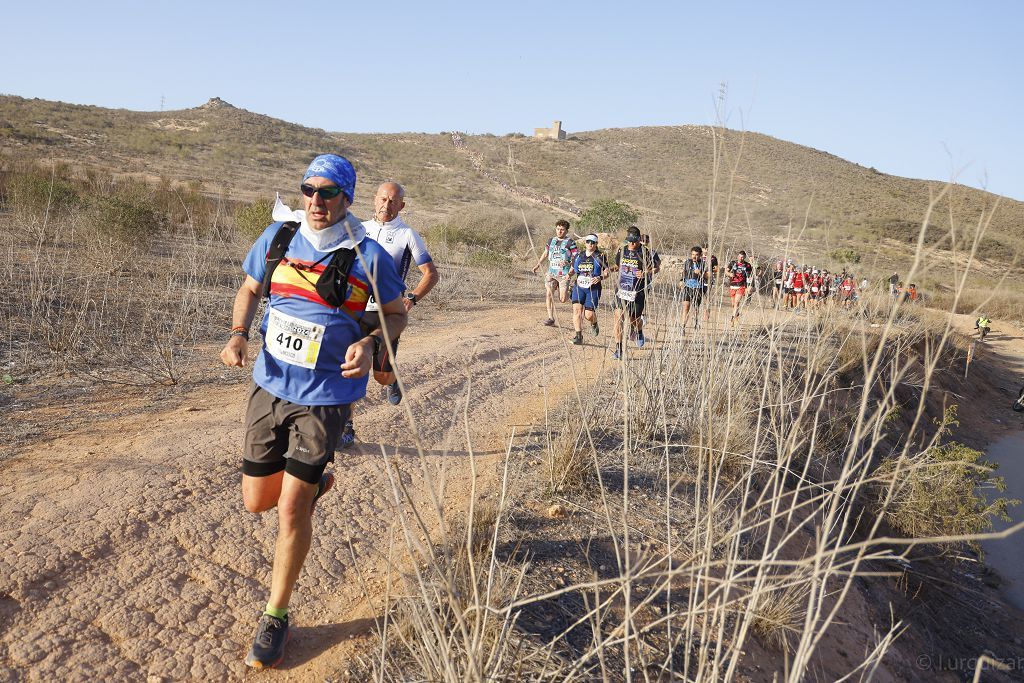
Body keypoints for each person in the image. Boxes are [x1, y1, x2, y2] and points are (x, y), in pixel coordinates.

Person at [220, 154, 407, 669]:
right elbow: (250, 288)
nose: (316, 201)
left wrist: (371, 344)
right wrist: (238, 335)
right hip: (269, 386)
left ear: (347, 198)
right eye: (309, 190)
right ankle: (312, 487)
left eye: (328, 192)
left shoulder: (369, 256)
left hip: (324, 398)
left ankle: (275, 615)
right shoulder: (278, 238)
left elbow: (395, 313)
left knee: (290, 508)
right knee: (258, 500)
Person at [334, 182, 440, 447]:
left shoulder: (407, 235)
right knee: (350, 367)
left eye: (393, 201)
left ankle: (392, 380)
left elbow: (431, 273)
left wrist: (412, 297)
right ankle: (346, 427)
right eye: (383, 199)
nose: (387, 205)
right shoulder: (359, 229)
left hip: (386, 315)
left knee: (380, 375)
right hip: (354, 313)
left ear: (401, 205)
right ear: (374, 200)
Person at [611, 226, 661, 358]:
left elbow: (656, 268)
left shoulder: (645, 253)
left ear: (639, 239)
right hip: (622, 289)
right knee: (618, 317)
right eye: (629, 241)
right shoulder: (622, 250)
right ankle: (619, 349)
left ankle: (639, 330)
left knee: (634, 318)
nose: (631, 244)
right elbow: (618, 265)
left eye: (634, 241)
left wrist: (646, 272)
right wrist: (610, 269)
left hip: (638, 290)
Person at [532, 219, 578, 326]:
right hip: (551, 272)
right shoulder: (550, 241)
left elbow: (576, 257)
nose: (559, 231)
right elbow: (545, 253)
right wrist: (538, 265)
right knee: (549, 293)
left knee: (562, 299)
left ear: (566, 231)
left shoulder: (571, 242)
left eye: (562, 230)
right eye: (558, 229)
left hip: (564, 274)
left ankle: (570, 290)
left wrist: (569, 266)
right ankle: (550, 318)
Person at [569, 234, 605, 344]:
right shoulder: (578, 256)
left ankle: (594, 323)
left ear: (596, 244)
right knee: (577, 310)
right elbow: (573, 270)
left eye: (593, 242)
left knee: (588, 315)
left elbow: (607, 272)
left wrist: (600, 277)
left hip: (593, 289)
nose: (590, 244)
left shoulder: (600, 256)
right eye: (588, 241)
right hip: (579, 287)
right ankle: (578, 336)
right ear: (585, 243)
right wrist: (568, 275)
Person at [678, 246, 709, 331]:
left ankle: (695, 322)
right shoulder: (688, 262)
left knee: (695, 308)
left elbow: (708, 276)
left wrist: (701, 273)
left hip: (698, 288)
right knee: (686, 306)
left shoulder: (703, 263)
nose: (694, 256)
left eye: (696, 255)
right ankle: (682, 326)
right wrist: (681, 280)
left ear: (700, 255)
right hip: (688, 287)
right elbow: (684, 272)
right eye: (692, 254)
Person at [726, 250, 753, 324]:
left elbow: (750, 276)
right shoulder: (732, 263)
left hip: (741, 286)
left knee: (737, 302)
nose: (741, 259)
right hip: (732, 285)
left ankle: (732, 319)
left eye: (743, 258)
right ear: (738, 256)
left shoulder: (747, 265)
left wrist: (749, 286)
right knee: (733, 304)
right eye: (740, 257)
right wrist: (729, 274)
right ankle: (737, 315)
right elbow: (726, 271)